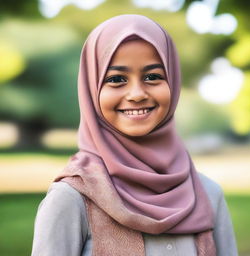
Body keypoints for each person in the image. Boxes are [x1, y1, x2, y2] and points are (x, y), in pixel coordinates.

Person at [31, 14, 238, 256]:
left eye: (153, 76)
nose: (137, 93)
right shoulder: (72, 199)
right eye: (116, 79)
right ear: (91, 88)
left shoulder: (207, 194)